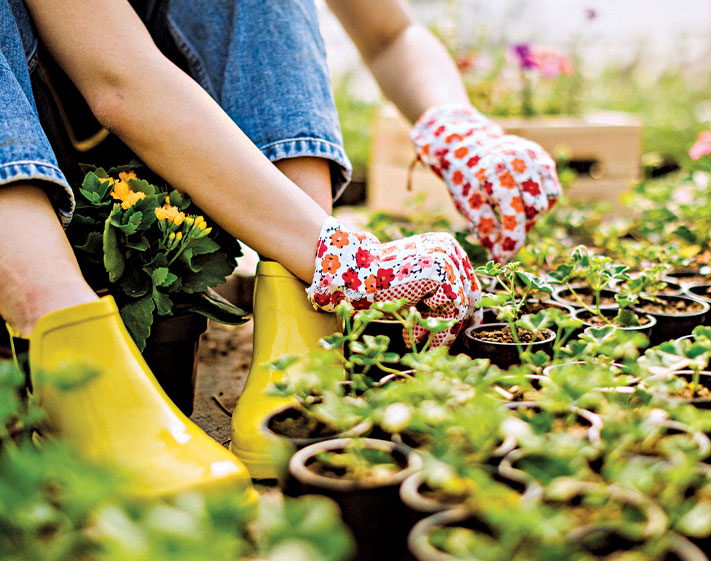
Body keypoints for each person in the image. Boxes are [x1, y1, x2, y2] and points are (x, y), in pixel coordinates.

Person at [1, 0, 561, 496]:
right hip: (35, 154)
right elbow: (118, 81)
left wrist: (457, 127)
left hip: (196, 153)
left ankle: (295, 304)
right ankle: (61, 332)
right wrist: (347, 257)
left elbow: (390, 33)